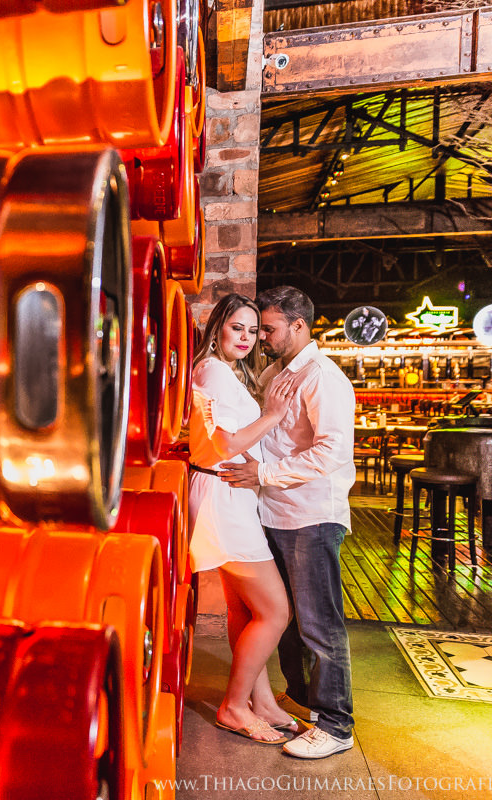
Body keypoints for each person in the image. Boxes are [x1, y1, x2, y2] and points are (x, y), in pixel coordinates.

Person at [219, 285, 357, 760]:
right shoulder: (277, 372)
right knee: (293, 622)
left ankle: (337, 724)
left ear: (299, 325)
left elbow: (333, 450)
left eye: (269, 329)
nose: (261, 338)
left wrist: (265, 474)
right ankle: (304, 705)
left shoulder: (323, 377)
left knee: (320, 624)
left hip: (312, 515)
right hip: (275, 511)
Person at [187, 293, 300, 744]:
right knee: (275, 611)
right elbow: (224, 444)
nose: (247, 338)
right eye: (238, 327)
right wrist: (273, 414)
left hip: (229, 492)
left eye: (254, 331)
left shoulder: (228, 373)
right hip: (222, 495)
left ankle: (262, 702)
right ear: (218, 328)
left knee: (244, 608)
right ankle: (234, 707)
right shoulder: (212, 371)